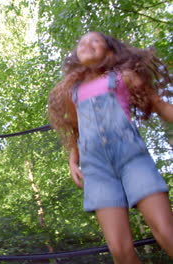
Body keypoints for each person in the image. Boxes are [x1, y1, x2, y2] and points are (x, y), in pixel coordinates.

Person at [47, 32, 173, 263]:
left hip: (132, 159)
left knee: (166, 233)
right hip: (97, 170)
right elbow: (77, 129)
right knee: (119, 251)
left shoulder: (123, 77)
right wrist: (73, 160)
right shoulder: (73, 91)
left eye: (95, 40)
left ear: (110, 51)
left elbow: (159, 105)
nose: (87, 43)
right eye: (82, 41)